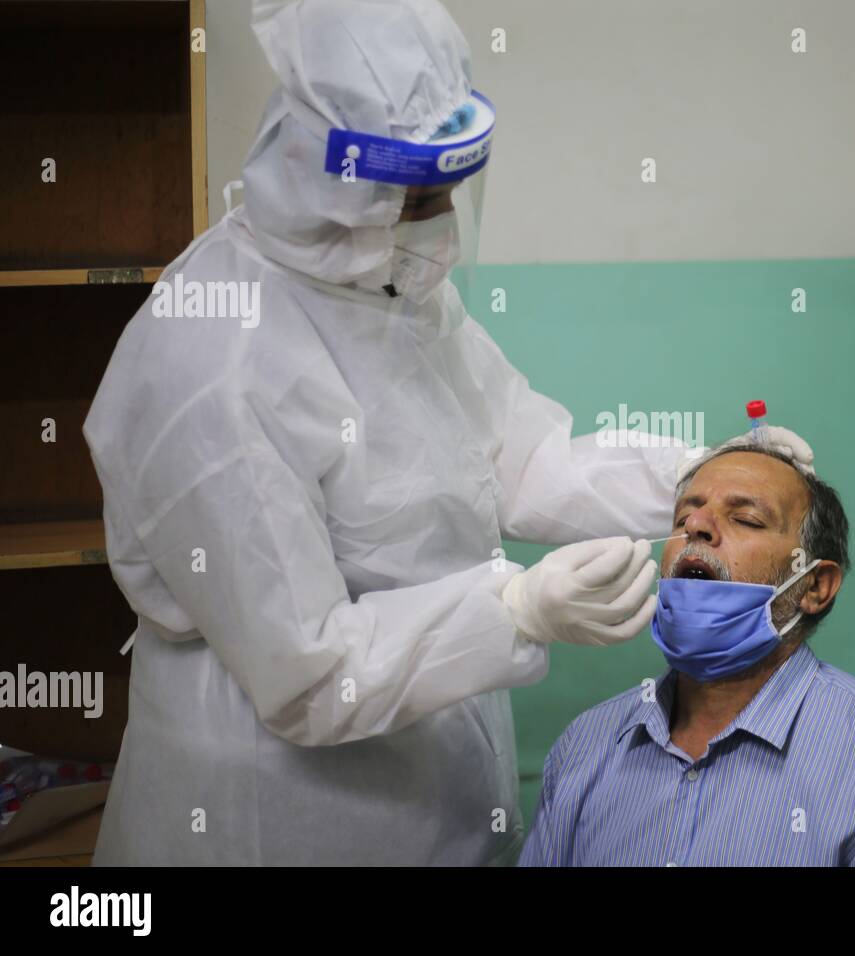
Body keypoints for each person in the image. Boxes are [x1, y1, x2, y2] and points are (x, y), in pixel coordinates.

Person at [82, 0, 812, 865]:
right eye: (419, 194)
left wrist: (696, 475)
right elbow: (308, 671)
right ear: (337, 185)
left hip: (439, 797)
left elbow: (518, 457)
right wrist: (516, 609)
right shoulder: (212, 362)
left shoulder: (386, 286)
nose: (440, 219)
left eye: (451, 189)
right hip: (276, 818)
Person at [519, 445, 855, 866]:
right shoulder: (586, 744)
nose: (696, 526)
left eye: (747, 519)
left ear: (814, 586)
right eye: (683, 516)